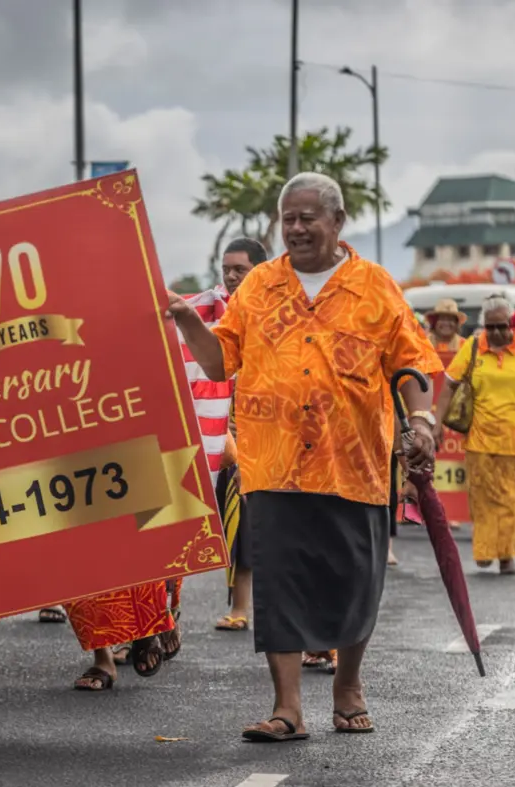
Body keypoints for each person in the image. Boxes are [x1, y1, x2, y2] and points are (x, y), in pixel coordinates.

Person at [169, 171, 439, 740]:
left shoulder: (375, 286)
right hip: (275, 463)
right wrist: (192, 322)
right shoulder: (260, 286)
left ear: (337, 223)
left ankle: (347, 686)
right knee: (279, 584)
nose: (295, 228)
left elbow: (412, 362)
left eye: (306, 217)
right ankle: (287, 708)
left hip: (355, 464)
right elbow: (221, 363)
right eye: (287, 218)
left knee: (354, 579)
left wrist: (420, 419)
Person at [435, 295, 515, 573]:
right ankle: (485, 550)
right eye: (490, 327)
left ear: (514, 323)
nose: (496, 333)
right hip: (481, 439)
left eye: (502, 326)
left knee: (514, 502)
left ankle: (506, 556)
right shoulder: (472, 348)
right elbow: (448, 385)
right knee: (482, 499)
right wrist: (437, 424)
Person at [187, 236, 267, 635]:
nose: (232, 277)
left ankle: (290, 619)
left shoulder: (277, 312)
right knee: (236, 526)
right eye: (227, 269)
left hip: (273, 435)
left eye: (241, 269)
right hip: (227, 437)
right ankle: (236, 606)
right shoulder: (208, 312)